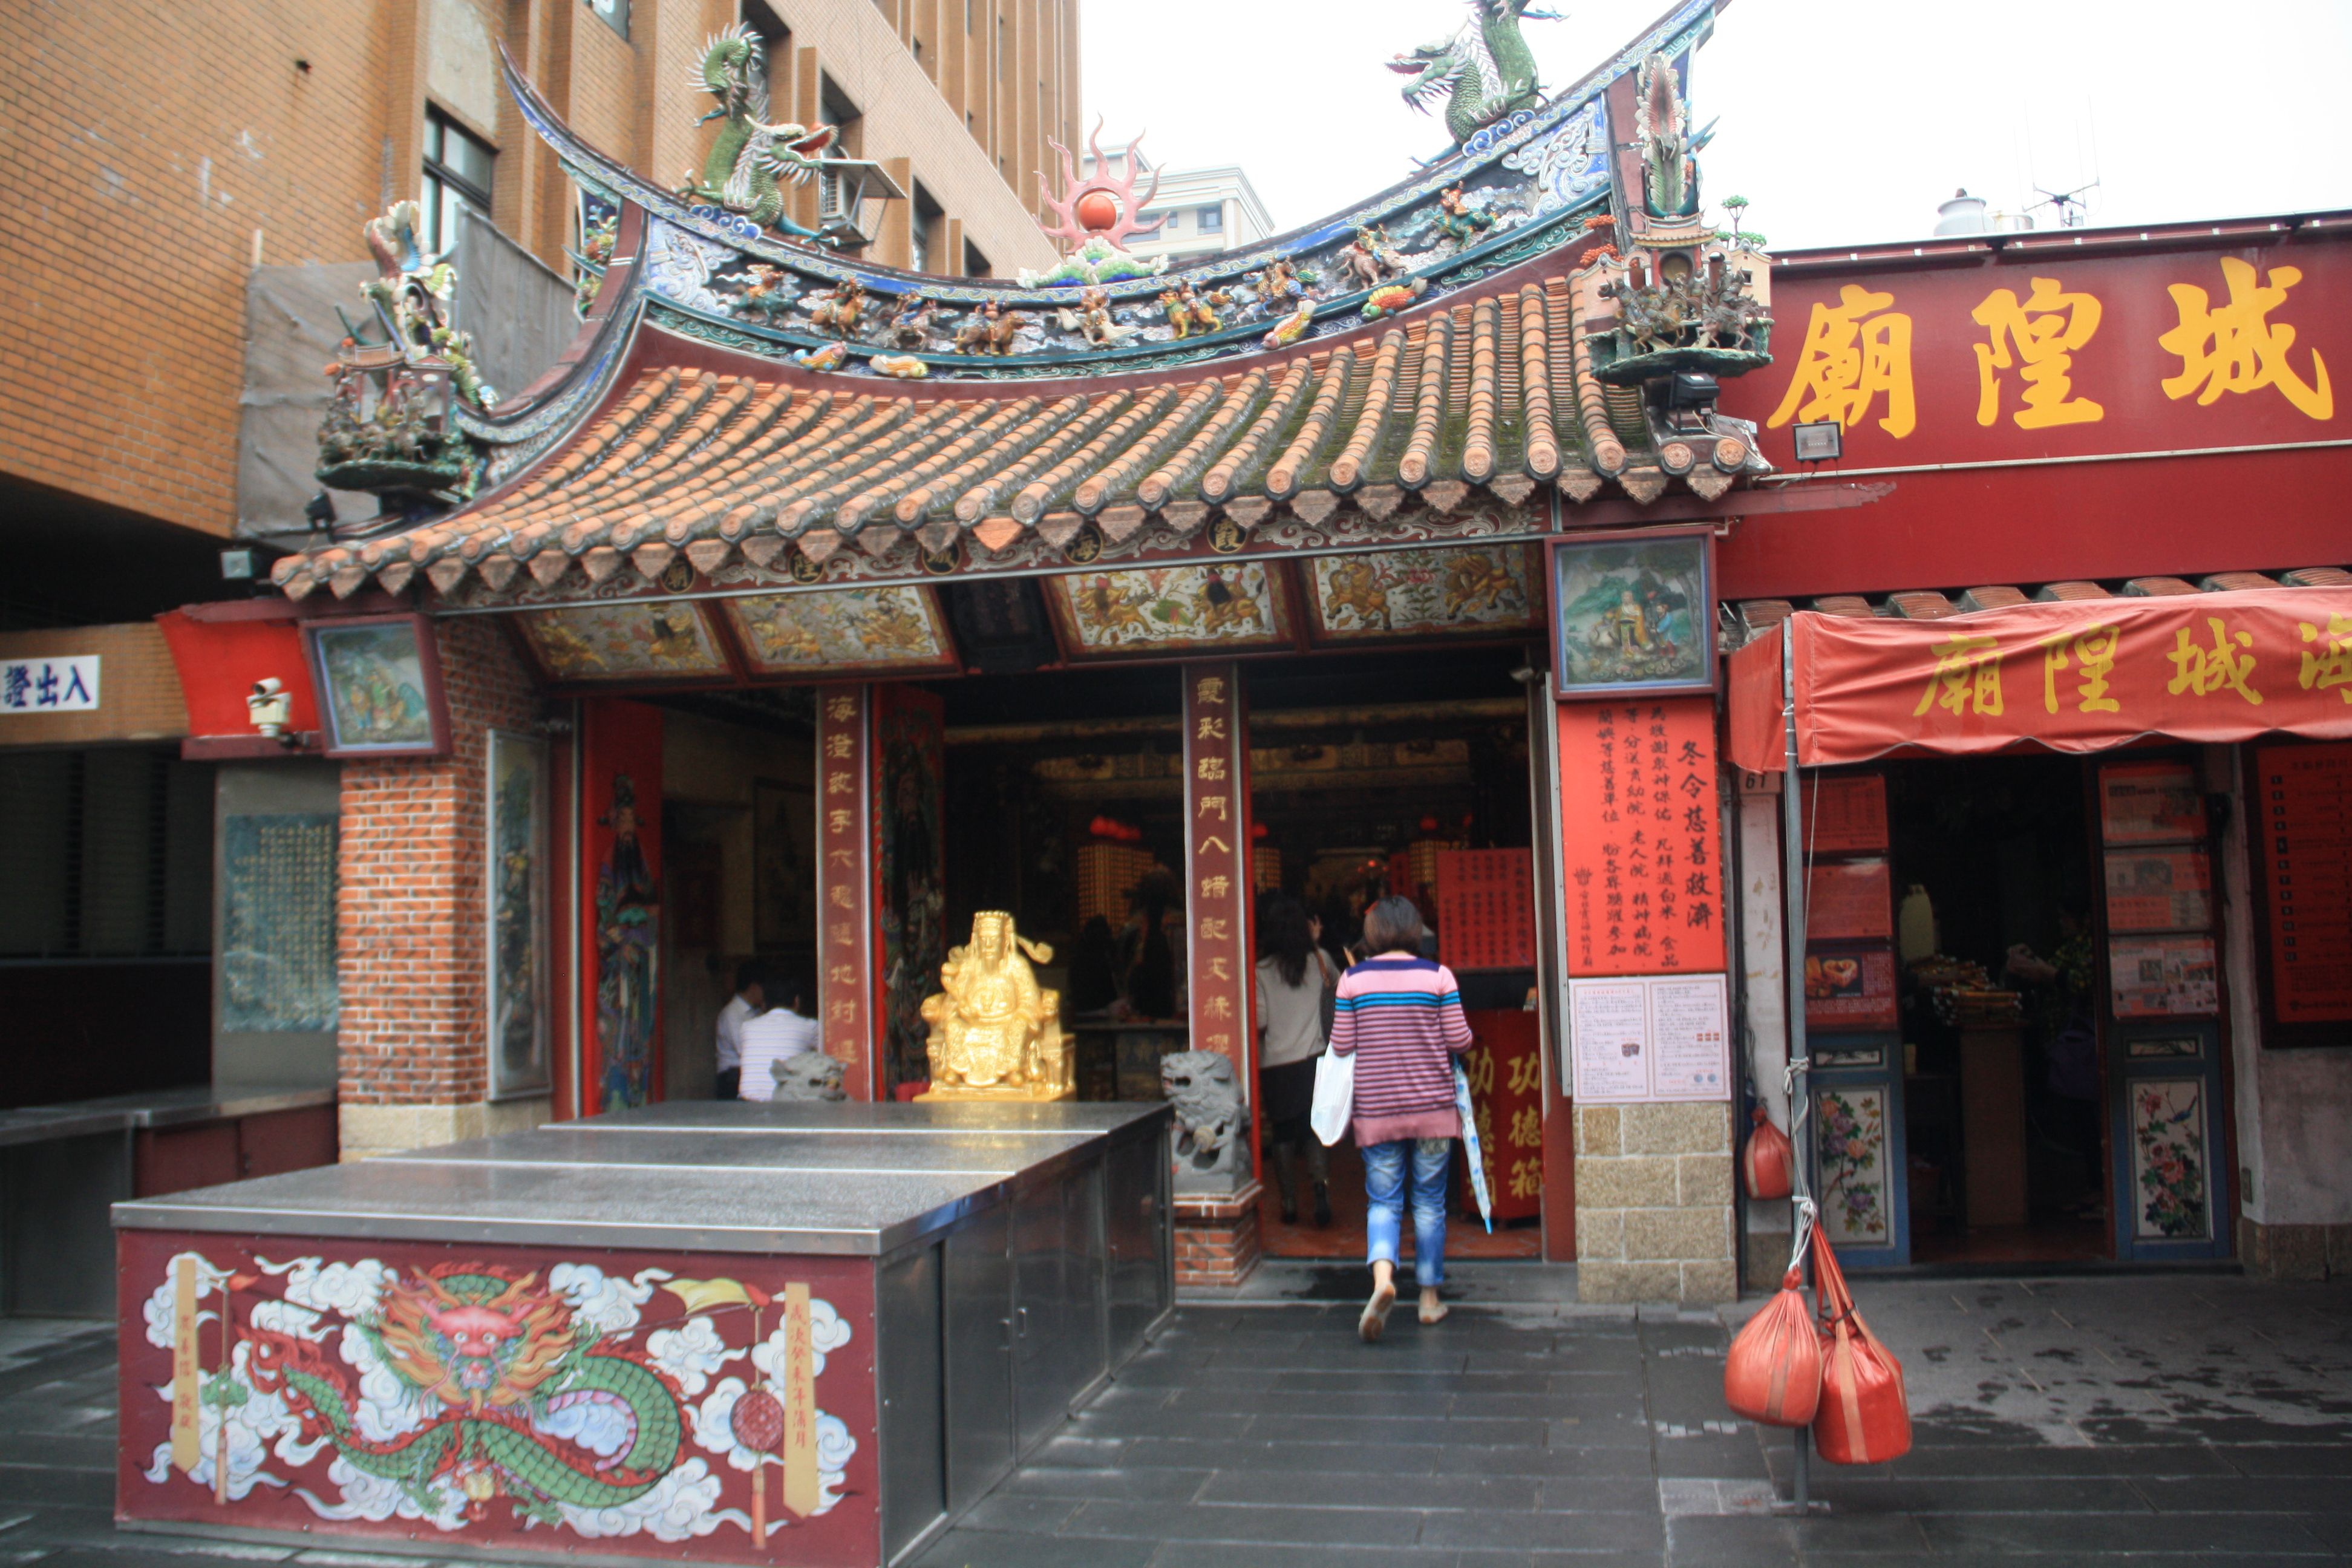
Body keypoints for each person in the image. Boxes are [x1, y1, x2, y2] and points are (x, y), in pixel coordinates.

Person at [1329, 895, 1474, 1342]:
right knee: (1429, 1203)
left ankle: (1383, 1282)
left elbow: (1340, 1046)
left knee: (1384, 1201)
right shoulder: (1438, 976)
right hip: (1432, 1111)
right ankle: (1429, 1300)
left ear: (1372, 932)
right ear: (1416, 930)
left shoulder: (1352, 980)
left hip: (1378, 1112)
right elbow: (1460, 1040)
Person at [1255, 895, 1338, 1227]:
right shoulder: (1321, 960)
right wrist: (1316, 945)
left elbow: (1260, 1021)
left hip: (1277, 1065)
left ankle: (1289, 1203)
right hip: (1314, 1059)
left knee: (1283, 1134)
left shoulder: (1261, 971)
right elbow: (1340, 988)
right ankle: (1320, 1189)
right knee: (1315, 1131)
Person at [737, 969, 820, 1102]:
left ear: (764, 1004)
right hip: (787, 1104)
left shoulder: (747, 1027)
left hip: (747, 1104)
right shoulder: (810, 1026)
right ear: (797, 1001)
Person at [713, 960, 762, 1101]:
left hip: (746, 1076)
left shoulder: (756, 1012)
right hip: (732, 1079)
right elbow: (745, 1050)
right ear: (753, 987)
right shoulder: (732, 1014)